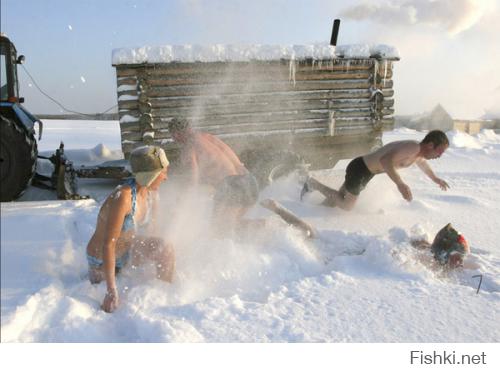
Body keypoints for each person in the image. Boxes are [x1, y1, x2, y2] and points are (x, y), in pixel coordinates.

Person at [86, 145, 175, 313]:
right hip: (102, 261)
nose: (166, 178)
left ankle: (165, 298)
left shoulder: (151, 194)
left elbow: (152, 233)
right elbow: (108, 244)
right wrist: (111, 291)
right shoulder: (123, 197)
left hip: (127, 249)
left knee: (166, 248)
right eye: (163, 172)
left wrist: (158, 256)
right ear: (151, 174)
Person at [301, 130, 450, 210]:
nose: (440, 156)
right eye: (440, 151)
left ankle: (314, 210)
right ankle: (313, 184)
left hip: (366, 172)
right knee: (347, 206)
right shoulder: (413, 147)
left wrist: (435, 179)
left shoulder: (418, 154)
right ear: (430, 145)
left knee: (336, 201)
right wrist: (400, 184)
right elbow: (385, 160)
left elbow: (423, 164)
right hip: (360, 169)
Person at [168, 118, 259, 235]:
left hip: (232, 186)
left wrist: (184, 200)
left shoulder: (188, 149)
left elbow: (193, 178)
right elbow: (230, 155)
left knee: (217, 228)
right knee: (231, 224)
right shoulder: (207, 137)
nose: (173, 139)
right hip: (249, 181)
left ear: (177, 133)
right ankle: (270, 228)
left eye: (172, 135)